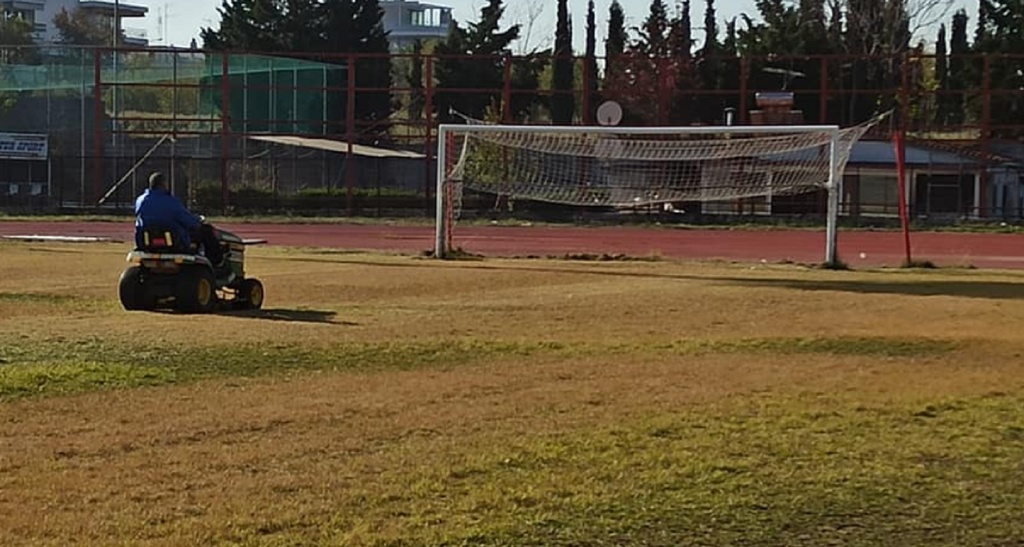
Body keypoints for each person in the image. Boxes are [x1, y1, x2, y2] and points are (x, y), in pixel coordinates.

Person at [135, 171, 223, 265]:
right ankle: (215, 262)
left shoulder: (140, 201)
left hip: (147, 241)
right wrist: (198, 221)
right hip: (175, 241)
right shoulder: (171, 202)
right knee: (206, 230)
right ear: (164, 184)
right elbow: (188, 221)